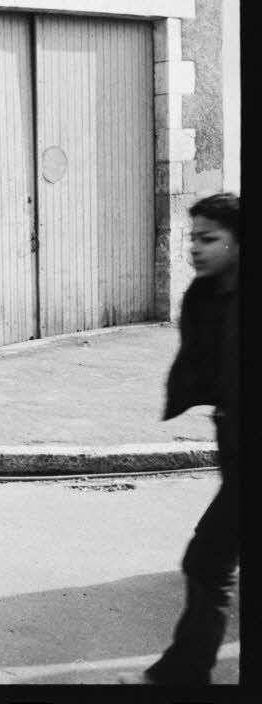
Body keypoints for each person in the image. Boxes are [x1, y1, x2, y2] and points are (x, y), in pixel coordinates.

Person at [122, 192, 239, 685]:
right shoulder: (207, 295)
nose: (194, 249)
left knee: (207, 559)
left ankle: (183, 675)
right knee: (210, 560)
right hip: (235, 438)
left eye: (209, 239)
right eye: (193, 237)